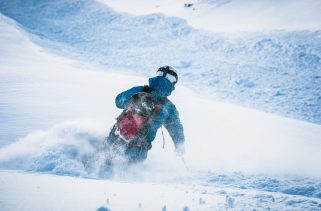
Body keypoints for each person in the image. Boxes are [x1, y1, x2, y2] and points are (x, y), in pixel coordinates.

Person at [104, 65, 185, 165]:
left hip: (116, 137)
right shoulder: (168, 107)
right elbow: (176, 129)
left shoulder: (139, 90)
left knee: (102, 163)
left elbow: (118, 102)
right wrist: (179, 147)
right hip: (138, 149)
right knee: (127, 175)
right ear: (172, 84)